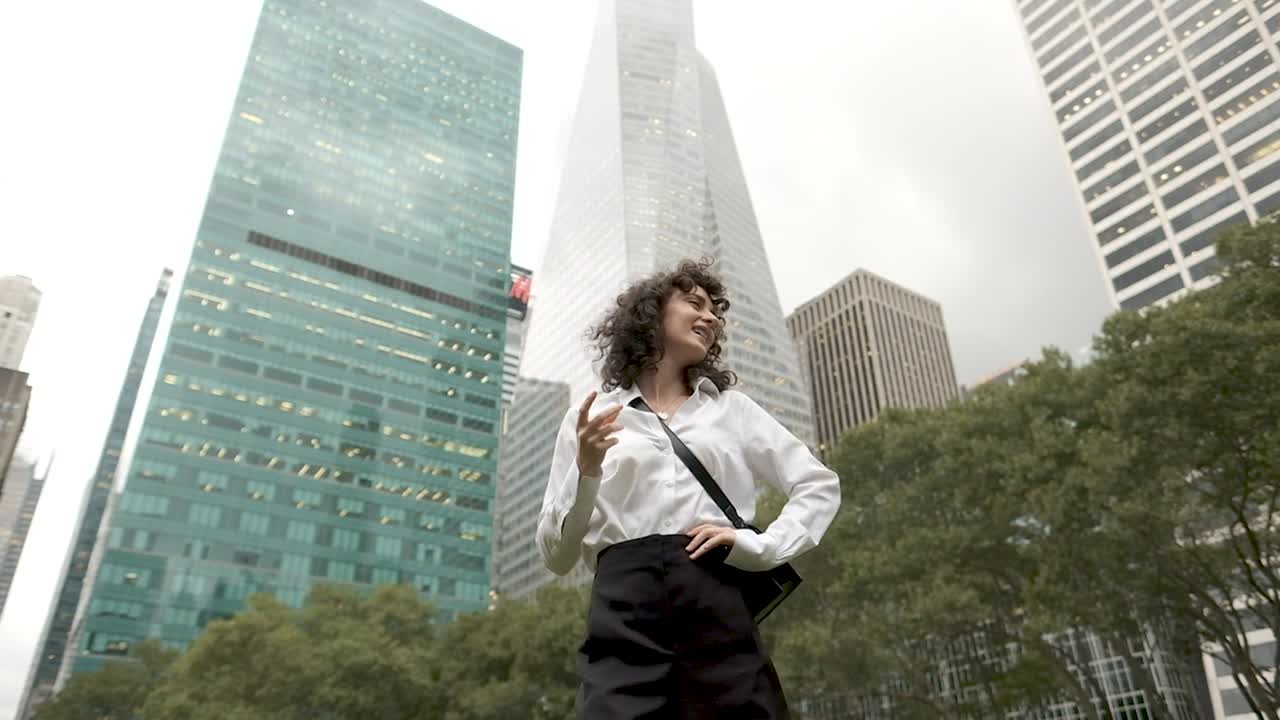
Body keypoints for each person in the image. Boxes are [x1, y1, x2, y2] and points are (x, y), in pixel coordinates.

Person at [536, 258, 841, 718]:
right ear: (651, 313)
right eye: (695, 303)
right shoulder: (591, 416)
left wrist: (761, 547)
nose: (710, 318)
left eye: (715, 313)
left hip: (714, 587)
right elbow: (557, 557)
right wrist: (586, 469)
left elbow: (818, 484)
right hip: (623, 605)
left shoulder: (731, 410)